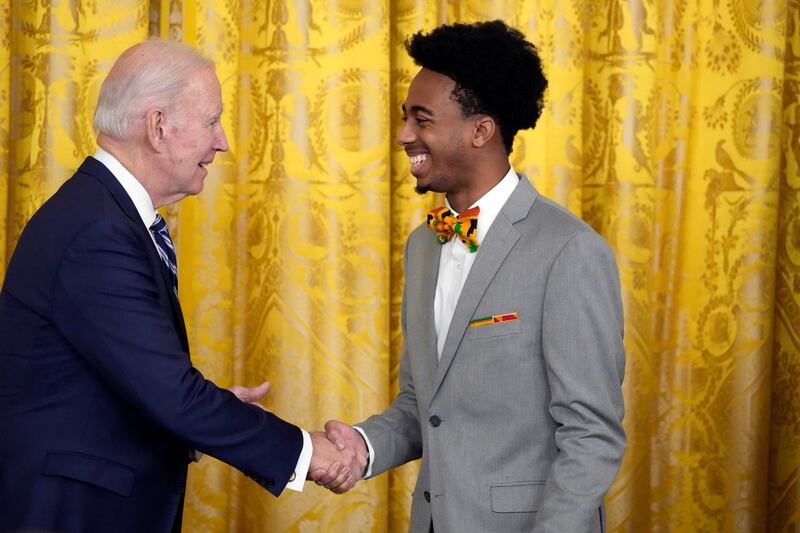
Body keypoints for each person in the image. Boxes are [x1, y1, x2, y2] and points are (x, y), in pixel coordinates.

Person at [0, 40, 351, 533]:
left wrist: (210, 411)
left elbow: (128, 385)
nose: (223, 141)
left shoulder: (103, 213)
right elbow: (172, 394)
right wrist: (305, 451)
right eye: (212, 121)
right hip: (72, 513)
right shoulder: (97, 230)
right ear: (158, 127)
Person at [320, 20, 627, 532]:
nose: (403, 136)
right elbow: (426, 405)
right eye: (405, 119)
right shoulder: (423, 245)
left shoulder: (570, 251)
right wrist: (363, 446)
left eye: (422, 120)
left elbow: (591, 435)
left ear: (481, 130)